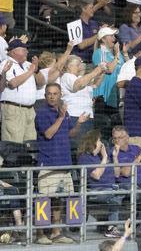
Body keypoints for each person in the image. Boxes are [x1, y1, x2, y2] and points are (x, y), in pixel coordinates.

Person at [35, 83, 87, 244]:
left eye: (55, 93)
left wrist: (79, 123)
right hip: (49, 162)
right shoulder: (42, 113)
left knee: (59, 200)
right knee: (44, 200)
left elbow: (71, 133)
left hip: (64, 163)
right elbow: (49, 134)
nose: (52, 96)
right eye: (49, 93)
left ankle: (56, 233)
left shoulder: (63, 112)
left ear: (60, 95)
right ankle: (40, 234)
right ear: (45, 96)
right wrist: (60, 117)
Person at [76, 129, 124, 238]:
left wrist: (115, 157)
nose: (102, 144)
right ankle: (111, 228)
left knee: (123, 191)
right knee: (116, 195)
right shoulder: (84, 157)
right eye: (99, 141)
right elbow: (96, 175)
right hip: (96, 191)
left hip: (111, 188)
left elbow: (117, 174)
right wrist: (105, 158)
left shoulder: (101, 156)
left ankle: (111, 227)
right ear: (92, 142)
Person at [0, 38, 43, 143]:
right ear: (13, 51)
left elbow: (41, 83)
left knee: (30, 144)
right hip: (14, 109)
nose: (27, 52)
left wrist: (36, 70)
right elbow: (12, 83)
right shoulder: (6, 63)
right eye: (24, 49)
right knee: (14, 144)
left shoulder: (28, 64)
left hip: (30, 110)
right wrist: (30, 71)